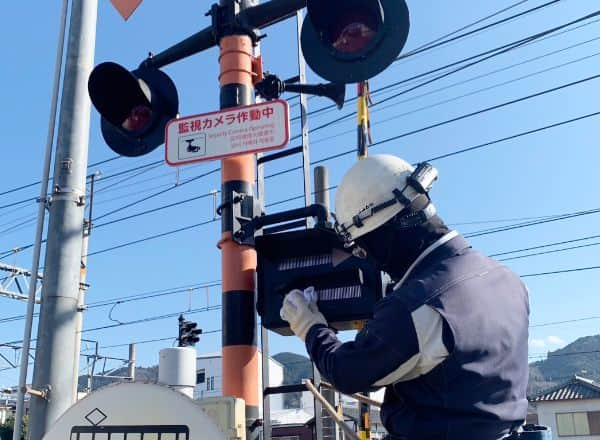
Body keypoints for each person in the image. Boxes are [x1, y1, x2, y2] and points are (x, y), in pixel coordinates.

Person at [280, 154, 529, 440]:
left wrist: (310, 327)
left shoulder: (419, 304)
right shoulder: (509, 280)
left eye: (363, 249)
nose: (368, 259)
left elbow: (347, 372)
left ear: (383, 234)